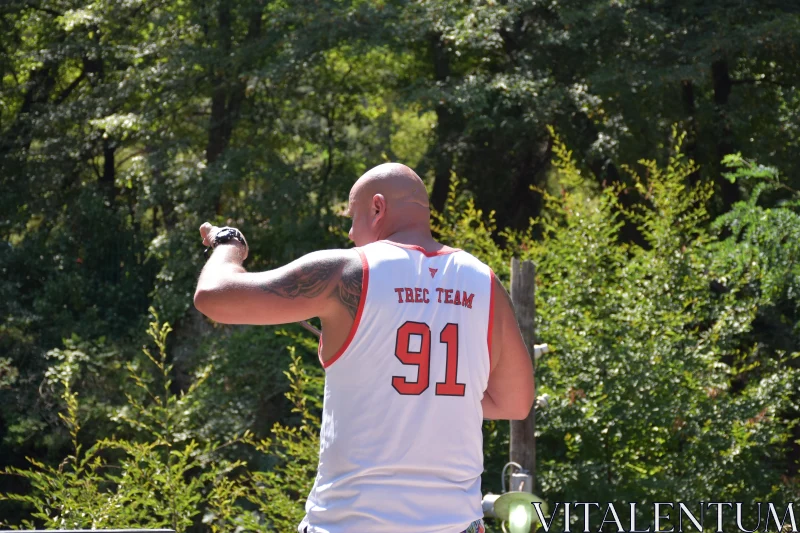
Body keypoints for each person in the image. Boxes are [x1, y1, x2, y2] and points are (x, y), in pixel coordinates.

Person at [194, 163, 535, 533]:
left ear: (377, 207)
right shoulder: (484, 281)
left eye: (353, 219)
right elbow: (516, 402)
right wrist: (430, 396)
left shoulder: (347, 271)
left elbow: (213, 296)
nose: (352, 234)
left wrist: (228, 244)